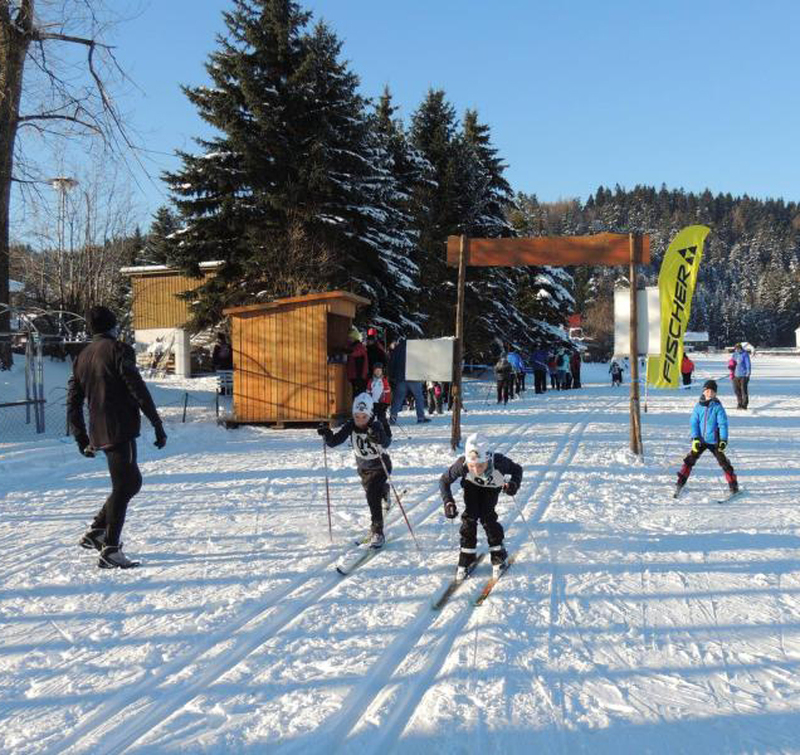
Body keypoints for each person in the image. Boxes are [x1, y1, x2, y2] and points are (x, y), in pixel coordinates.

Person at [67, 306, 167, 569]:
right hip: (120, 427)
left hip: (98, 429)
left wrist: (80, 436)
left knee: (130, 483)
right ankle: (109, 548)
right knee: (126, 485)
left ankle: (98, 531)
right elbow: (136, 386)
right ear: (112, 325)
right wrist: (156, 422)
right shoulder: (119, 349)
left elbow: (73, 402)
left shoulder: (82, 356)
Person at [440, 432, 523, 578]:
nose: (476, 470)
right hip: (471, 487)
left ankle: (498, 555)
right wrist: (448, 502)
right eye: (472, 466)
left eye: (481, 465)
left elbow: (517, 470)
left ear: (489, 459)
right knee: (469, 517)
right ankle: (467, 556)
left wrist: (513, 485)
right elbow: (444, 481)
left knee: (487, 517)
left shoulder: (499, 463)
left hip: (492, 487)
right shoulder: (461, 465)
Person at [317, 393, 391, 547]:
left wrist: (378, 436)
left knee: (372, 496)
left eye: (363, 417)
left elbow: (387, 441)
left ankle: (377, 531)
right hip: (363, 468)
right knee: (371, 493)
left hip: (380, 466)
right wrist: (327, 435)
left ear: (370, 414)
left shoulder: (376, 423)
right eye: (357, 416)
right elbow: (336, 441)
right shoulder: (351, 425)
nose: (360, 420)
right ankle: (385, 491)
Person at [675, 379, 738, 496]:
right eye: (707, 390)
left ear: (715, 394)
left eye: (712, 391)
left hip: (714, 441)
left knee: (724, 463)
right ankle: (680, 483)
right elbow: (694, 423)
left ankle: (733, 486)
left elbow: (723, 424)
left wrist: (723, 440)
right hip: (701, 440)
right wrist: (695, 438)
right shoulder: (698, 407)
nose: (709, 393)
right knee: (689, 460)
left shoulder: (718, 407)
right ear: (704, 392)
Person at [388, 336, 430, 424]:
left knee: (398, 399)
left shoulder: (397, 349)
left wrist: (392, 376)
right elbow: (421, 362)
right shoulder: (415, 349)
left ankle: (393, 418)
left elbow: (392, 363)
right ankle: (420, 417)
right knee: (418, 397)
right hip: (414, 376)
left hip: (401, 378)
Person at [367, 362, 392, 436]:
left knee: (382, 419)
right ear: (374, 371)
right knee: (370, 418)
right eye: (376, 371)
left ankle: (388, 434)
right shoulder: (371, 381)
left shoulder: (384, 381)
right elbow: (368, 392)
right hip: (373, 404)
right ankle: (367, 433)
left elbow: (387, 393)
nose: (378, 372)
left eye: (379, 371)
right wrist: (368, 402)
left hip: (381, 404)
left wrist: (387, 403)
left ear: (382, 371)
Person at [346, 327, 369, 397]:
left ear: (354, 338)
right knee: (356, 394)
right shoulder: (353, 346)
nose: (349, 339)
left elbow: (355, 353)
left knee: (359, 394)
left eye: (350, 338)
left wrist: (345, 351)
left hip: (359, 376)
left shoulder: (359, 346)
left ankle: (359, 407)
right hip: (356, 376)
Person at [731, 343, 751, 409]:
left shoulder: (745, 354)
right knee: (736, 390)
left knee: (743, 390)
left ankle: (744, 404)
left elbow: (748, 364)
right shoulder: (734, 354)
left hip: (743, 375)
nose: (737, 350)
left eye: (738, 348)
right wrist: (731, 368)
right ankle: (739, 403)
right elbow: (732, 363)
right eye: (736, 349)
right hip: (735, 375)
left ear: (741, 348)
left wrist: (748, 373)